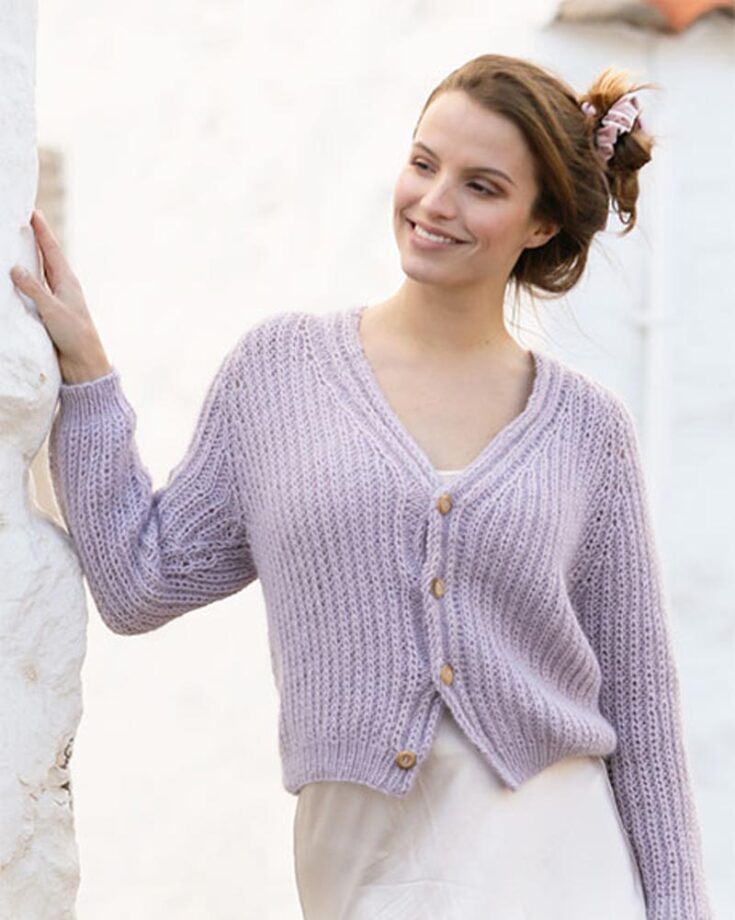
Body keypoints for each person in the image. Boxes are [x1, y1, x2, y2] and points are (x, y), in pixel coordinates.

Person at [11, 53, 713, 920]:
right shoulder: (281, 374)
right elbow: (139, 580)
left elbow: (639, 709)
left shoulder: (586, 429)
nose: (434, 203)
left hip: (555, 853)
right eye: (424, 163)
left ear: (540, 224)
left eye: (481, 187)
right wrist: (86, 373)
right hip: (361, 858)